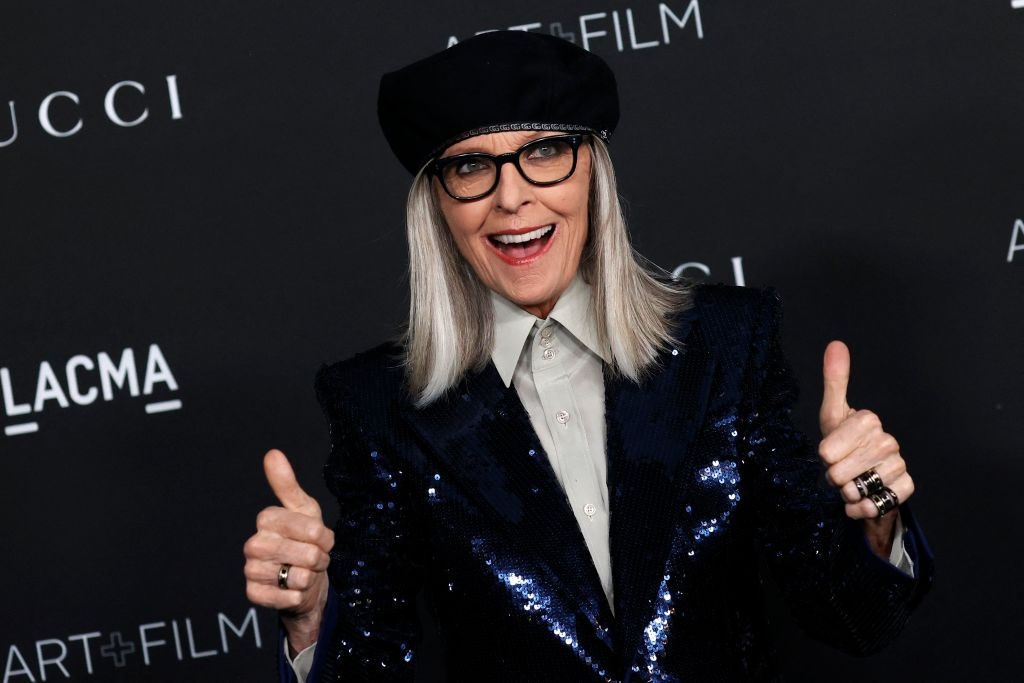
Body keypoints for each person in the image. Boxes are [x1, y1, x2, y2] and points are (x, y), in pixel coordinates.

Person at [243, 30, 932, 682]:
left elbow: (854, 620)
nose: (511, 197)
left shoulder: (727, 344)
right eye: (471, 166)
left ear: (592, 171)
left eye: (545, 151)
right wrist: (309, 618)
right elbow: (371, 656)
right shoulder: (378, 406)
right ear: (437, 205)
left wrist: (877, 511)